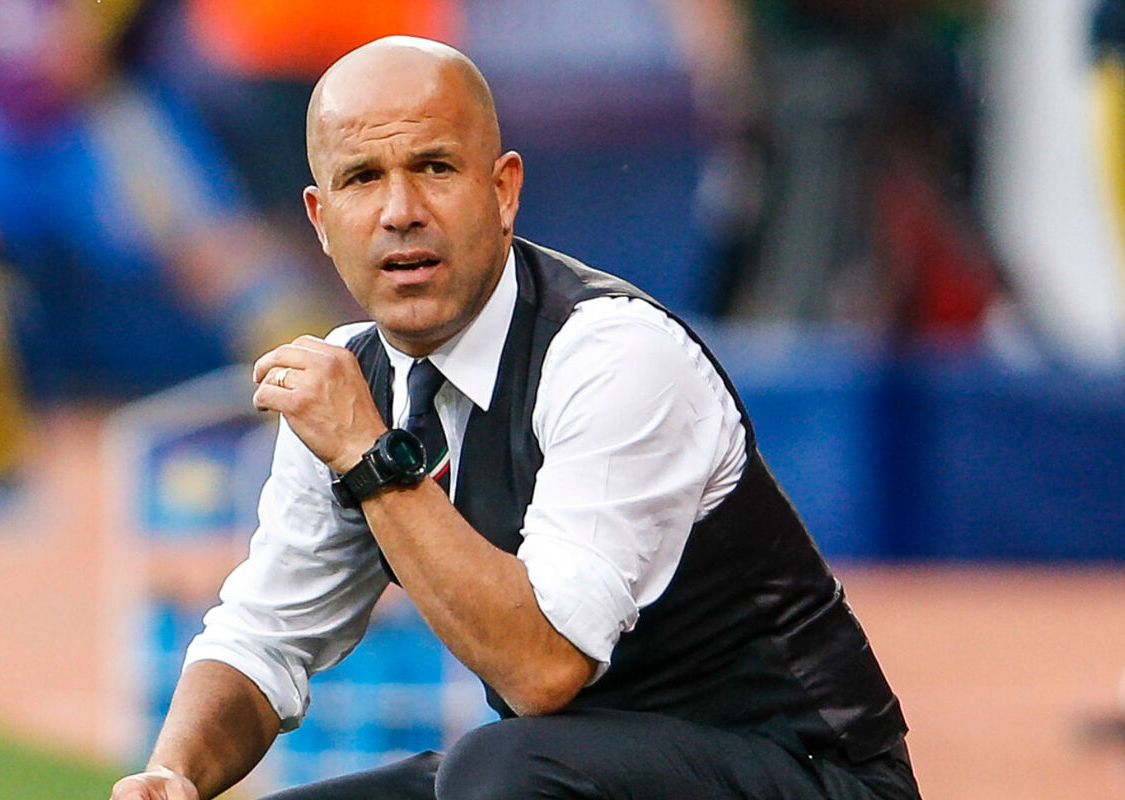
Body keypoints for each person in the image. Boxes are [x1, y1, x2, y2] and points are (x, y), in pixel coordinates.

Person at [109, 36, 919, 800]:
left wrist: (368, 454)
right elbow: (264, 639)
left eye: (434, 167)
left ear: (503, 191)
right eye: (362, 178)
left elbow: (543, 669)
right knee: (488, 773)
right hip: (567, 771)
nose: (399, 210)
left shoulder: (611, 354)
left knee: (499, 770)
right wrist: (173, 775)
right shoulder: (353, 381)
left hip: (807, 773)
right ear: (321, 221)